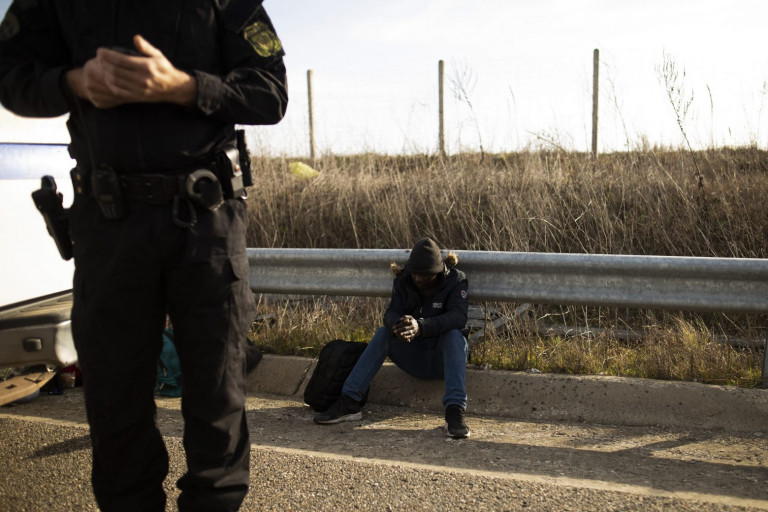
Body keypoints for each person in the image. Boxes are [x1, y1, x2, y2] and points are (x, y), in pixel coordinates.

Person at [0, 2, 287, 511]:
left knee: (218, 392)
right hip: (107, 221)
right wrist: (73, 82)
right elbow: (9, 74)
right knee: (114, 399)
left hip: (205, 219)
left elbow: (271, 92)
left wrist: (185, 87)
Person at [314, 237, 472, 438]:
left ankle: (454, 412)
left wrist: (420, 326)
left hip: (444, 359)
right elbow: (390, 313)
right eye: (414, 273)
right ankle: (349, 402)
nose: (417, 279)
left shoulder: (456, 281)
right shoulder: (404, 280)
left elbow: (458, 317)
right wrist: (399, 324)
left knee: (454, 335)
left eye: (423, 275)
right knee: (384, 332)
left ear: (436, 272)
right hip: (415, 357)